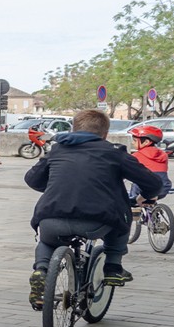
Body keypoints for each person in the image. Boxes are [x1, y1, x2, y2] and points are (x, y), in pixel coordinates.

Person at [24, 110, 162, 310]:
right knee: (122, 217)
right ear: (105, 134)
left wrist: (57, 186)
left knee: (47, 241)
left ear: (74, 128)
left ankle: (42, 271)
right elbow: (152, 183)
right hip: (97, 220)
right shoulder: (115, 153)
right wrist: (145, 197)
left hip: (52, 218)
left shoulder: (57, 150)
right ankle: (113, 267)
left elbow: (32, 179)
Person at [126, 125, 173, 206]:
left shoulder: (136, 156)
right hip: (164, 187)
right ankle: (154, 213)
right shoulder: (163, 154)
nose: (132, 142)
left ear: (146, 142)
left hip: (144, 188)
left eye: (134, 140)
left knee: (133, 200)